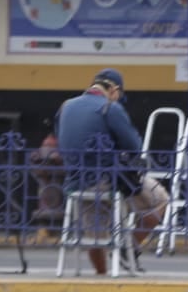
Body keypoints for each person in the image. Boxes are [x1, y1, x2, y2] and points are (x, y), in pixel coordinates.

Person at [54, 68, 169, 275]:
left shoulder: (66, 106)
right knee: (160, 199)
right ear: (114, 90)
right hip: (109, 181)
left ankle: (101, 275)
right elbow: (134, 146)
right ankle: (129, 248)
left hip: (76, 182)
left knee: (95, 236)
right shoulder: (110, 107)